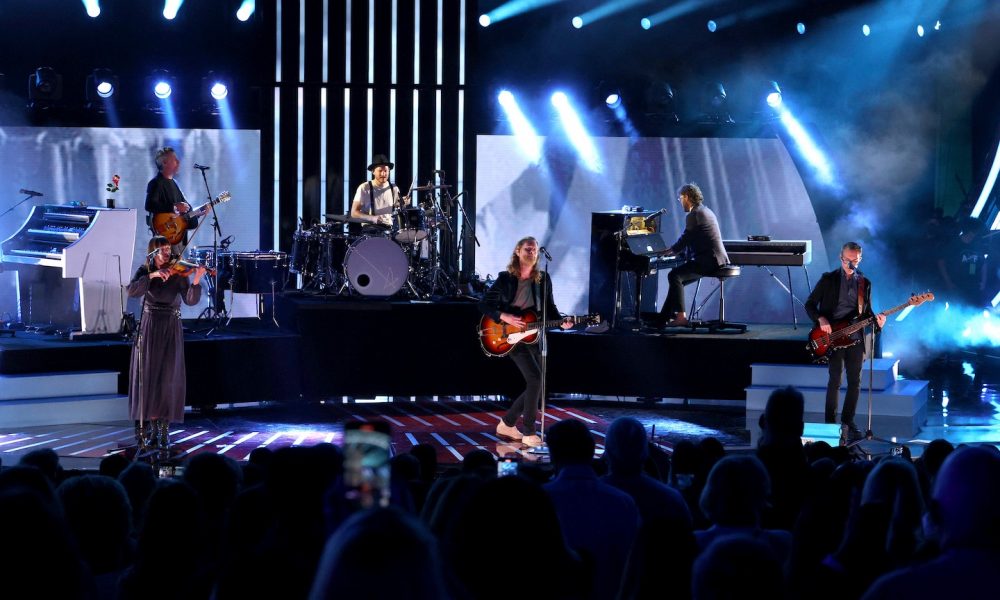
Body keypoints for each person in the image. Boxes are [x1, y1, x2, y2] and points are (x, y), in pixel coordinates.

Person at [478, 236, 573, 447]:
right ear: (518, 252)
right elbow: (484, 305)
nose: (532, 253)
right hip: (510, 335)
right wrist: (505, 317)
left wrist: (562, 322)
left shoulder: (543, 279)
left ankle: (507, 423)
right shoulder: (505, 279)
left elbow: (551, 310)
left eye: (534, 250)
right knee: (535, 379)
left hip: (534, 334)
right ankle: (529, 431)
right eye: (527, 249)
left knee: (537, 382)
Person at [127, 236, 205, 453]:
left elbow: (190, 300)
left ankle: (163, 431)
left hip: (171, 325)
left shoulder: (179, 272)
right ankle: (151, 428)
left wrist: (196, 280)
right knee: (150, 376)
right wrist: (152, 275)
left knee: (168, 377)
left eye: (169, 249)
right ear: (153, 253)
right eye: (163, 250)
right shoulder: (145, 272)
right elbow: (132, 291)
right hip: (150, 326)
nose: (168, 253)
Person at [804, 241, 886, 444]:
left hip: (856, 338)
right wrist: (821, 319)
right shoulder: (828, 279)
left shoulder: (864, 283)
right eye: (847, 260)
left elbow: (867, 313)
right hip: (833, 337)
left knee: (855, 382)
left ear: (860, 259)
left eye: (855, 261)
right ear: (841, 258)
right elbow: (810, 304)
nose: (850, 264)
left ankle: (848, 422)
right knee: (835, 381)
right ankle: (830, 423)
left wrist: (879, 323)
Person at [657, 182, 729, 326]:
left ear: (687, 197)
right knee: (677, 280)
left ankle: (681, 318)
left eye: (680, 198)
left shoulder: (694, 214)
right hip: (716, 259)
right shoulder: (705, 211)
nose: (680, 202)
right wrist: (679, 253)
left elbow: (686, 238)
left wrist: (669, 251)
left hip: (709, 260)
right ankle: (663, 318)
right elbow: (696, 238)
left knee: (674, 276)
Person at [145, 146, 208, 253]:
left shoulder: (175, 184)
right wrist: (174, 207)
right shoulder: (156, 183)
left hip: (179, 238)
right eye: (174, 159)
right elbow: (150, 205)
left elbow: (184, 213)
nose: (178, 162)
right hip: (166, 240)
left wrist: (198, 212)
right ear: (164, 163)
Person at [350, 153, 405, 227]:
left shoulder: (394, 188)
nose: (383, 173)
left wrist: (403, 203)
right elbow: (354, 213)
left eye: (385, 171)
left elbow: (397, 208)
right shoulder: (364, 188)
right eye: (380, 171)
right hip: (370, 229)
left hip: (390, 229)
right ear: (373, 171)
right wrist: (372, 218)